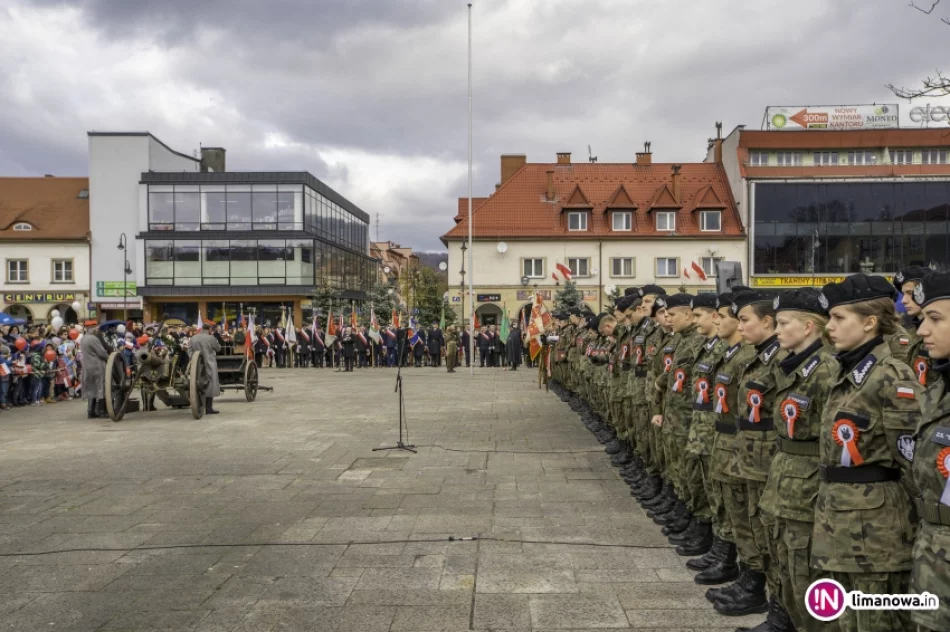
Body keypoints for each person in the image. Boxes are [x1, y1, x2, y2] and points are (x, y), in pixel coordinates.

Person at [812, 274, 919, 632]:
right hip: (841, 521)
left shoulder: (891, 377)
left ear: (870, 322)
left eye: (840, 318)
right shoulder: (850, 371)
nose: (830, 327)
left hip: (877, 535)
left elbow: (913, 465)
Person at [758, 288, 837, 632]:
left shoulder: (827, 370)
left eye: (783, 323)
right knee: (786, 561)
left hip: (808, 488)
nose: (776, 330)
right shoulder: (792, 366)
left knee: (806, 570)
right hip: (786, 480)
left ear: (808, 327)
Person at [908, 271, 950, 632]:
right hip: (932, 558)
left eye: (935, 319)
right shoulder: (939, 390)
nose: (921, 331)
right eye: (922, 319)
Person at [189, 322, 222, 415]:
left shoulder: (193, 338)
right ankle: (208, 408)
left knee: (195, 383)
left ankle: (199, 405)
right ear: (210, 329)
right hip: (209, 363)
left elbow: (189, 351)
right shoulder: (211, 338)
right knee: (210, 384)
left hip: (196, 365)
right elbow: (218, 348)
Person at [80, 326, 110, 419]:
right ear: (93, 329)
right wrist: (108, 358)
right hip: (97, 366)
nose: (98, 330)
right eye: (96, 329)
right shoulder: (94, 339)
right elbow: (101, 353)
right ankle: (101, 411)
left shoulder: (83, 338)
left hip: (87, 366)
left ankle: (90, 411)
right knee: (100, 387)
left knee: (91, 388)